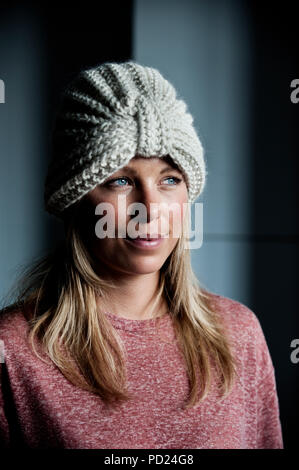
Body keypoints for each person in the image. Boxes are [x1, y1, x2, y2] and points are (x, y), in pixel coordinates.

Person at [0, 61, 283, 449]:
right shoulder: (13, 350)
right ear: (74, 200)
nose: (149, 208)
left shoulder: (239, 334)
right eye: (120, 180)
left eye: (170, 179)